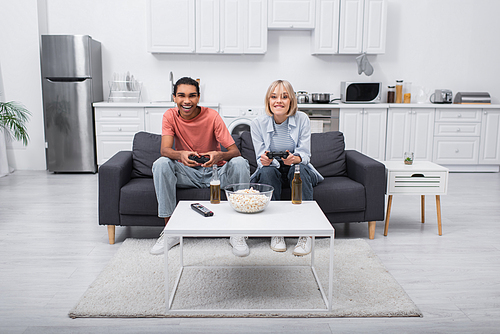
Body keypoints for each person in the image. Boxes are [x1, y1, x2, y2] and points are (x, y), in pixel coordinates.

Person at [150, 77, 250, 256]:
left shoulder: (212, 116)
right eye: (181, 96)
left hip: (216, 174)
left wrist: (220, 155)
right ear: (174, 97)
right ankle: (171, 231)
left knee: (240, 163)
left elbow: (235, 152)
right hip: (187, 173)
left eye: (192, 96)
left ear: (198, 97)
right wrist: (180, 154)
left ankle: (238, 231)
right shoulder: (169, 116)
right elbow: (165, 150)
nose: (187, 101)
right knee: (161, 164)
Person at [250, 79, 324, 256]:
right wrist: (266, 161)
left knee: (299, 170)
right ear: (268, 100)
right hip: (273, 170)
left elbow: (305, 154)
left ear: (291, 100)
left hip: (297, 168)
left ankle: (306, 234)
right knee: (267, 172)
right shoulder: (257, 123)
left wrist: (295, 158)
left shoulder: (302, 119)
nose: (279, 101)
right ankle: (276, 231)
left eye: (284, 97)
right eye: (274, 97)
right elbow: (260, 158)